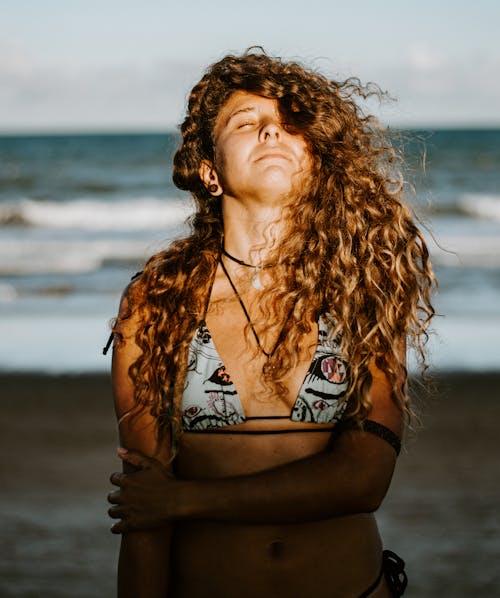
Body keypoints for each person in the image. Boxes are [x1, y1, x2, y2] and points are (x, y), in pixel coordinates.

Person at [105, 49, 435, 597]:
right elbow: (144, 513)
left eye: (289, 124)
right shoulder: (158, 301)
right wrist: (161, 504)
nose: (270, 134)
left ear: (315, 155)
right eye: (245, 122)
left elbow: (363, 478)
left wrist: (185, 499)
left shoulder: (362, 288)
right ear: (210, 171)